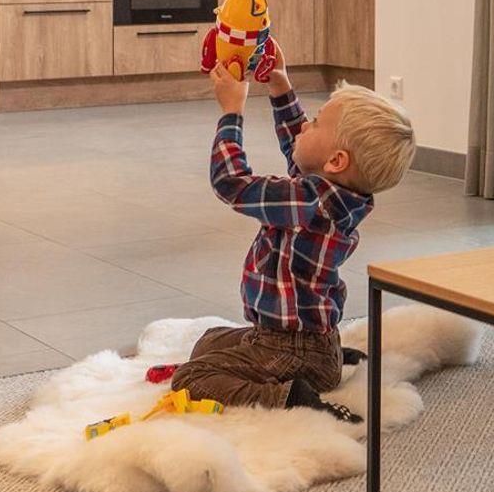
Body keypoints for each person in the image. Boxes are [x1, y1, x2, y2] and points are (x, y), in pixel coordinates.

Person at [170, 45, 417, 423]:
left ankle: (290, 397)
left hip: (290, 348)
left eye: (315, 122)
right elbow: (300, 150)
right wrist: (280, 85)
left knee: (191, 378)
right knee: (208, 341)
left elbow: (231, 184)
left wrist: (231, 113)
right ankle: (329, 363)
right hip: (305, 341)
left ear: (336, 161)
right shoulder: (336, 193)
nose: (304, 125)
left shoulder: (309, 201)